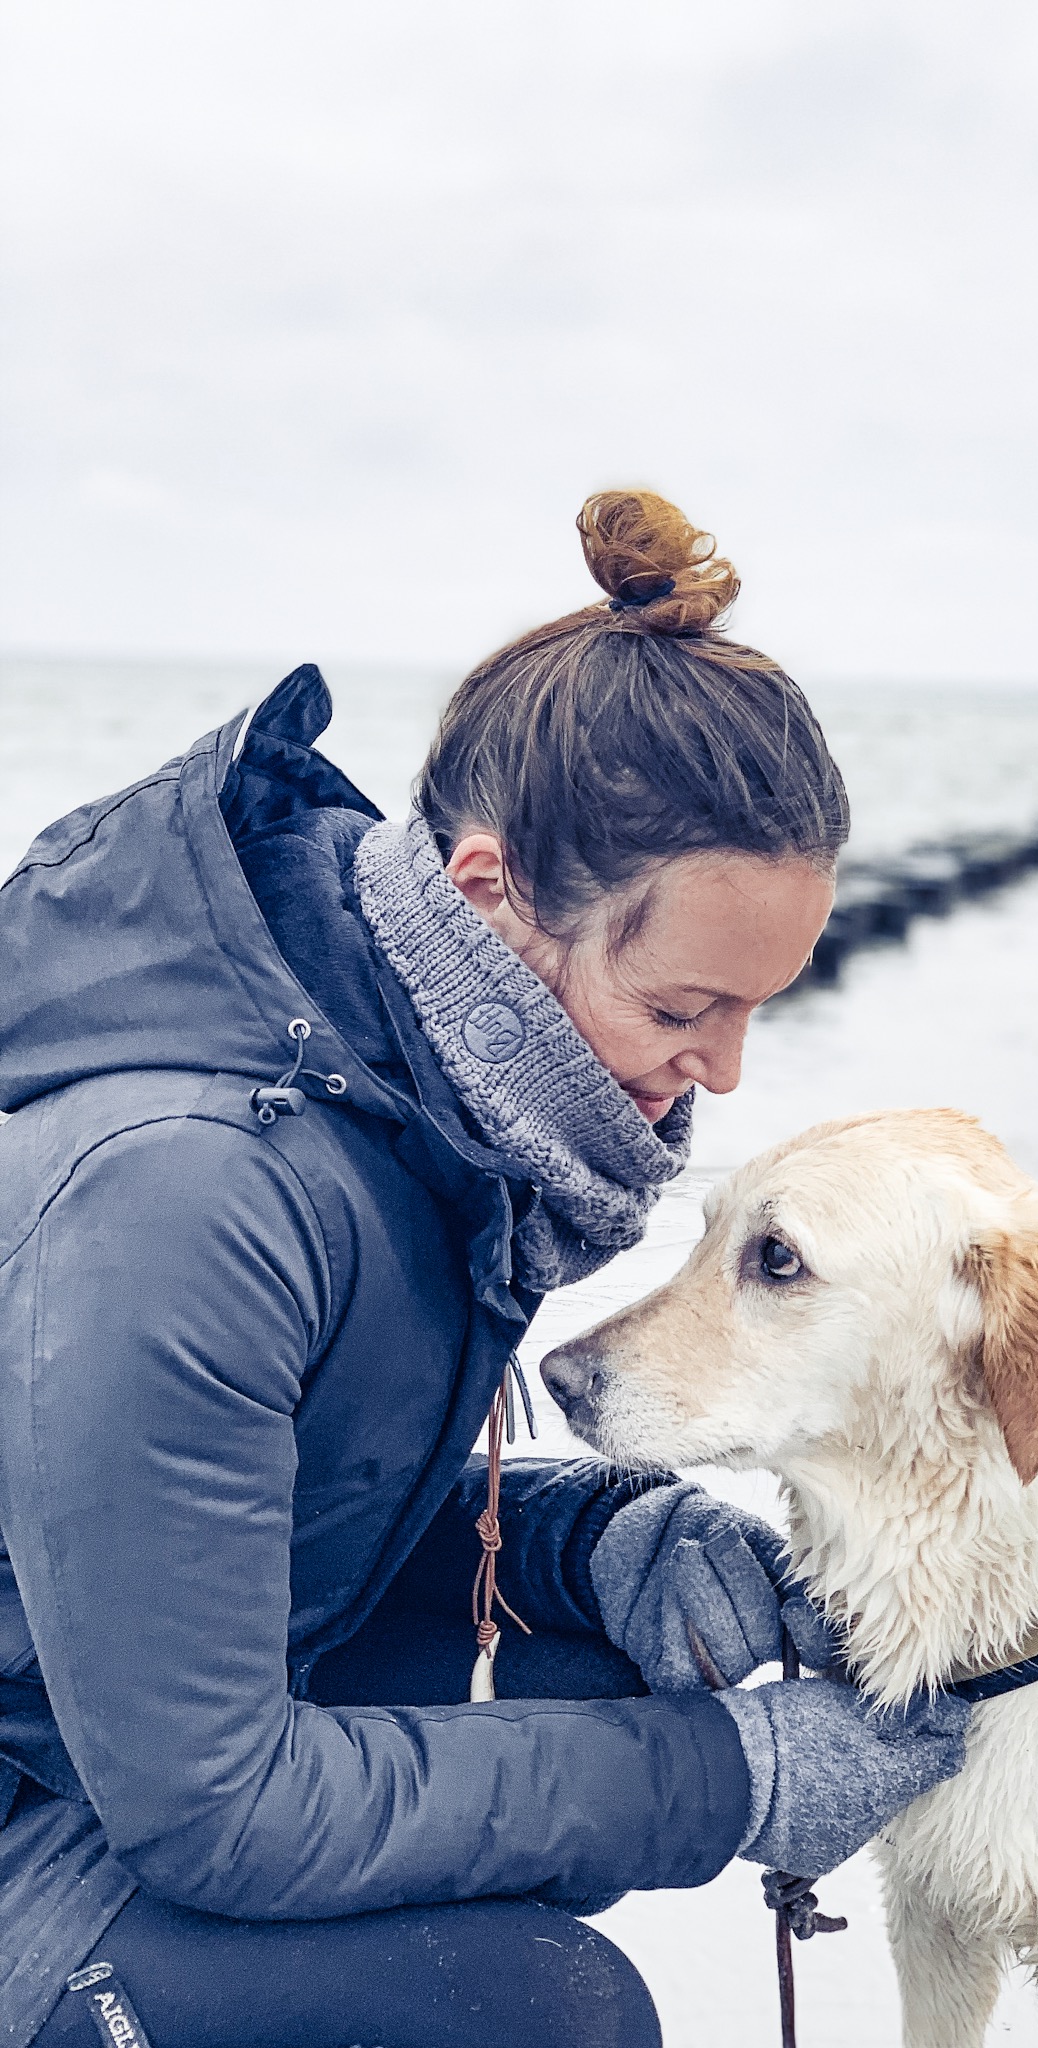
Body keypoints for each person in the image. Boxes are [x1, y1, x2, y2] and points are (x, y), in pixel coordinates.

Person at [0, 493, 969, 2048]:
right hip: (40, 1814)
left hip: (89, 1725)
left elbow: (277, 1520)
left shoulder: (413, 1087)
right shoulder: (189, 1201)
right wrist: (734, 1780)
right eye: (680, 1010)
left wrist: (598, 1546)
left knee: (595, 1671)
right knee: (542, 2012)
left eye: (756, 1010)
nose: (721, 1072)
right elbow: (216, 1811)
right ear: (486, 895)